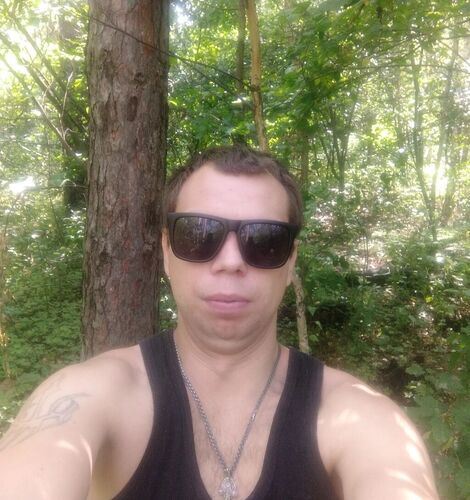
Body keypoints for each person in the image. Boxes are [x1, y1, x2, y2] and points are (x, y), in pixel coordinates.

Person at [0, 145, 439, 500]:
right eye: (199, 234)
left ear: (290, 262)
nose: (230, 261)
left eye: (264, 240)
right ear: (166, 253)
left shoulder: (360, 418)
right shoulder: (90, 395)